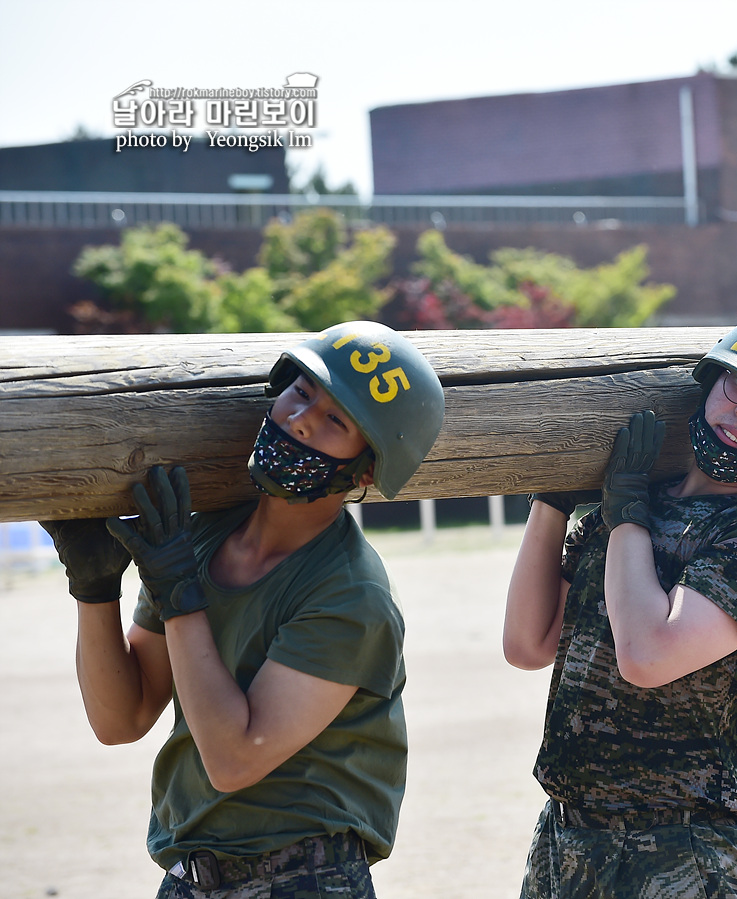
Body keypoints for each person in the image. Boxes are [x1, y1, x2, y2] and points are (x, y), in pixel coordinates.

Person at [41, 321, 444, 898]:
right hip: (188, 875)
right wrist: (96, 589)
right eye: (303, 392)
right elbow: (120, 719)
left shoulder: (351, 595)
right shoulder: (202, 539)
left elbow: (233, 760)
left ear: (367, 469)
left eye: (337, 422)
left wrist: (181, 595)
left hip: (303, 879)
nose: (301, 418)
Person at [503, 306, 737, 898]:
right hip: (569, 834)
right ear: (711, 379)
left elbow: (648, 656)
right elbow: (528, 643)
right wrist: (554, 498)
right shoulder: (640, 504)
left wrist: (625, 517)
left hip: (684, 851)